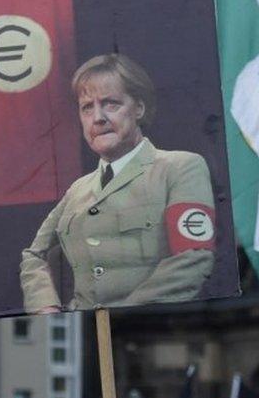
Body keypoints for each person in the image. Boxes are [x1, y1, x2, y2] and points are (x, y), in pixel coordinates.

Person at [20, 53, 216, 312]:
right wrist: (47, 308)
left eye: (111, 104)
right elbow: (34, 255)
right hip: (88, 331)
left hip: (147, 329)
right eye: (87, 107)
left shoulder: (180, 168)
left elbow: (193, 257)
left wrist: (124, 313)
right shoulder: (77, 191)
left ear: (139, 109)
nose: (97, 118)